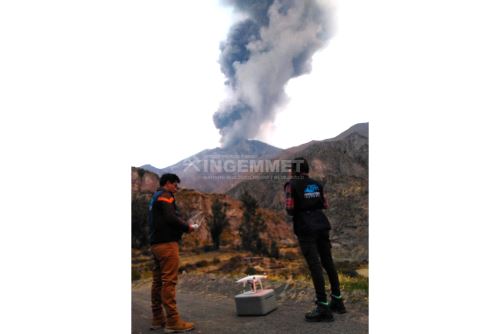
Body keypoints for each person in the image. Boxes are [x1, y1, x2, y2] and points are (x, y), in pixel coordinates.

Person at [284, 157, 346, 322]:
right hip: (322, 225)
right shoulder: (317, 184)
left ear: (295, 170)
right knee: (328, 263)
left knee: (315, 266)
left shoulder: (292, 185)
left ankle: (323, 306)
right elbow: (325, 205)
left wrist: (301, 207)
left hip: (306, 228)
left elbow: (290, 209)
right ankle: (338, 301)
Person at [148, 173, 199, 333]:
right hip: (167, 245)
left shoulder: (155, 197)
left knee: (158, 282)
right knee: (169, 282)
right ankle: (173, 321)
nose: (177, 188)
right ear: (168, 183)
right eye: (176, 185)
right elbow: (170, 218)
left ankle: (158, 318)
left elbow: (165, 218)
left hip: (155, 245)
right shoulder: (165, 195)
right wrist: (187, 227)